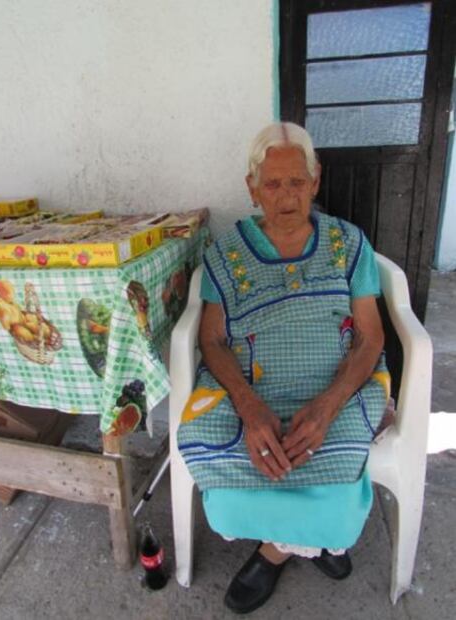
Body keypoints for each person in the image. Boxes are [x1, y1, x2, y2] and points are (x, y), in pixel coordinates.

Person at [177, 122, 390, 614]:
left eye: (297, 181)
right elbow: (211, 339)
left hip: (336, 385)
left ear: (315, 181)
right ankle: (317, 539)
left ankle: (275, 551)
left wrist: (327, 406)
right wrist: (249, 408)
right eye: (272, 183)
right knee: (202, 438)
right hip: (256, 387)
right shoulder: (226, 254)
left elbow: (371, 337)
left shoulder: (348, 243)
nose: (287, 195)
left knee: (337, 451)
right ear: (252, 188)